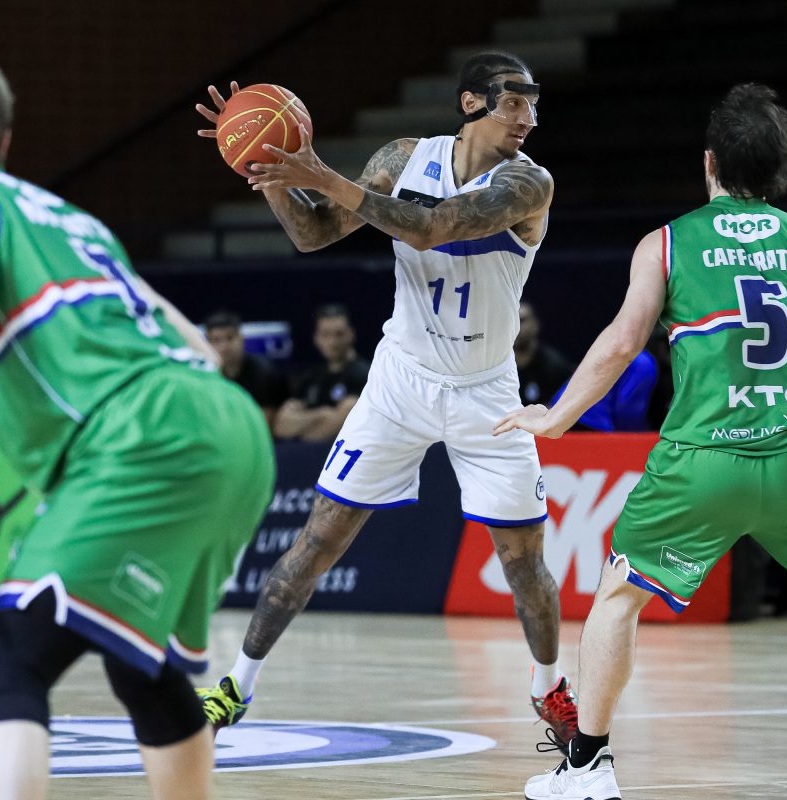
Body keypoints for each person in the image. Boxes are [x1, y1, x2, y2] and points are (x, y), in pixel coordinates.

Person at [497, 84, 787, 800]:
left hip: (702, 462)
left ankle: (589, 766)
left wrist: (557, 417)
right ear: (781, 172)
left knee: (620, 594)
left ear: (709, 163)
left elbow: (622, 342)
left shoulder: (666, 243)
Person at [0, 47, 274, 800]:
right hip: (229, 424)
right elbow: (197, 346)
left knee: (3, 664)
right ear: (4, 138)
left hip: (139, 432)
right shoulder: (67, 218)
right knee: (142, 665)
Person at [194, 51, 579, 750]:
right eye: (513, 101)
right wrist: (270, 169)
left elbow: (431, 227)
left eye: (533, 103)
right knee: (318, 540)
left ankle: (549, 687)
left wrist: (323, 176)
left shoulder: (528, 182)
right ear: (471, 103)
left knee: (524, 563)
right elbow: (312, 232)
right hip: (401, 380)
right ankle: (236, 686)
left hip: (486, 394)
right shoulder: (403, 158)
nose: (528, 116)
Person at [273, 303, 369, 442]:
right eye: (325, 335)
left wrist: (303, 427)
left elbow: (339, 425)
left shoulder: (364, 375)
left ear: (351, 334)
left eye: (339, 334)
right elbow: (281, 425)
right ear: (316, 338)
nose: (332, 342)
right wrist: (321, 414)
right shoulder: (310, 378)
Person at [203, 309, 289, 429]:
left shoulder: (264, 373)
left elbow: (263, 425)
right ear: (207, 344)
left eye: (230, 338)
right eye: (216, 340)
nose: (224, 347)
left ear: (241, 338)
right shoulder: (203, 376)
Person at [515, 301, 574, 406]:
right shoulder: (495, 365)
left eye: (521, 320)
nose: (515, 326)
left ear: (535, 325)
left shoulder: (557, 367)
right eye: (510, 321)